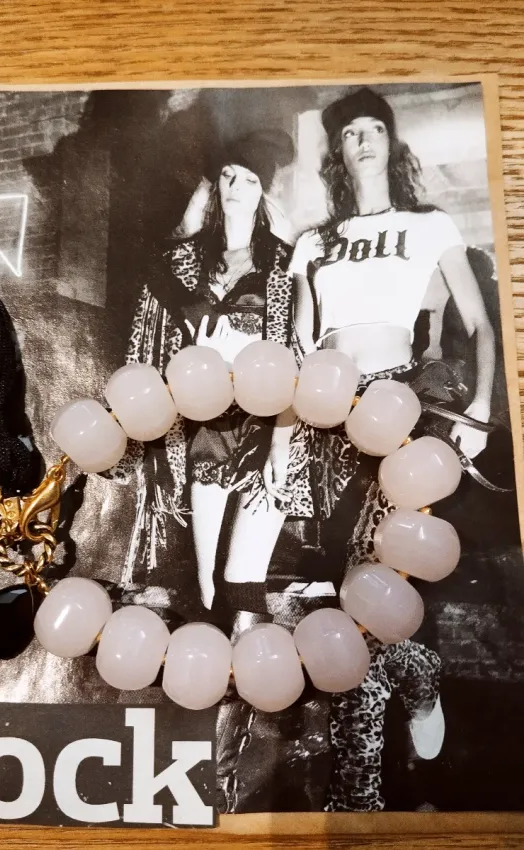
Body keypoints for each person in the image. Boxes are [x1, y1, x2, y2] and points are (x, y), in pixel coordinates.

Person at [290, 87, 496, 811]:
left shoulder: (429, 224)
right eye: (351, 132)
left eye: (375, 128)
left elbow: (481, 323)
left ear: (391, 142)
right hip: (329, 415)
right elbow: (302, 340)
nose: (364, 140)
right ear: (338, 153)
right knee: (349, 582)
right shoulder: (314, 241)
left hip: (400, 406)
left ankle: (357, 798)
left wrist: (479, 409)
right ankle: (420, 674)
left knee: (365, 592)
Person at [112, 130, 316, 635]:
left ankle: (249, 653)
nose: (235, 187)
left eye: (249, 180)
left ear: (264, 192)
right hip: (199, 420)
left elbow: (295, 353)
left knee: (240, 579)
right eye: (228, 176)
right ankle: (211, 633)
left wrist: (278, 429)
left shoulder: (282, 263)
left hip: (267, 418)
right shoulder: (185, 260)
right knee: (204, 583)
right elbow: (152, 320)